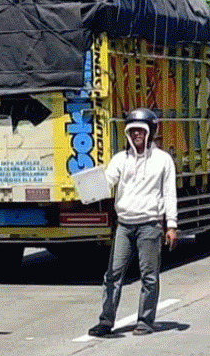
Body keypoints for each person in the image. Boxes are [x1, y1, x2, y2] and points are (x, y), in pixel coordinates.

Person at [88, 108, 178, 337]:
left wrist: (172, 225)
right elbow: (107, 181)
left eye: (141, 130)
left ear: (151, 131)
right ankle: (106, 321)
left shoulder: (163, 160)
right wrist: (87, 184)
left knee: (149, 276)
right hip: (125, 225)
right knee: (113, 274)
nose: (137, 134)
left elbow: (169, 194)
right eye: (133, 130)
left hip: (150, 225)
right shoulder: (120, 159)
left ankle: (145, 321)